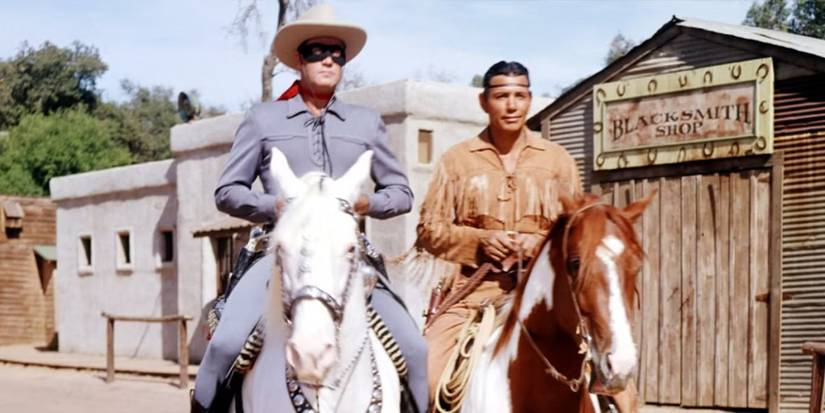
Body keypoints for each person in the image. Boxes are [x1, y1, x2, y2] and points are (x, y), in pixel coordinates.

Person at [191, 4, 427, 412]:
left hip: (347, 256)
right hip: (278, 253)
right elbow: (227, 191)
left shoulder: (366, 122)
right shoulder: (263, 119)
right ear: (299, 61)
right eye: (317, 52)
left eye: (337, 53)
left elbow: (402, 193)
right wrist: (276, 205)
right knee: (225, 346)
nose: (328, 60)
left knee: (416, 351)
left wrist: (366, 202)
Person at [416, 61, 583, 400]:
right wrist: (479, 242)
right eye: (501, 96)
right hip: (474, 294)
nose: (511, 105)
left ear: (530, 100)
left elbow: (579, 231)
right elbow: (428, 230)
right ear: (484, 102)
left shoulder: (557, 160)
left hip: (548, 294)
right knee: (428, 378)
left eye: (519, 96)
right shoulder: (457, 160)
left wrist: (539, 244)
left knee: (613, 380)